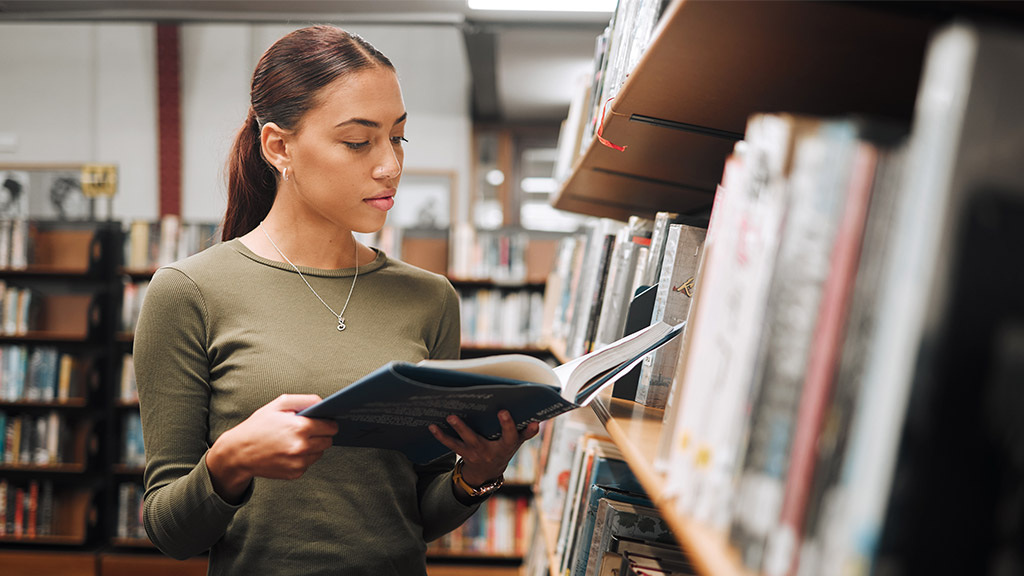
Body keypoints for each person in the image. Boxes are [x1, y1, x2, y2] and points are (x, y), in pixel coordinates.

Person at [133, 25, 539, 576]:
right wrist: (230, 461)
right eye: (357, 141)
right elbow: (169, 530)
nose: (389, 165)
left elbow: (414, 515)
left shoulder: (430, 298)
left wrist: (477, 475)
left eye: (397, 137)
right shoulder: (189, 293)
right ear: (279, 147)